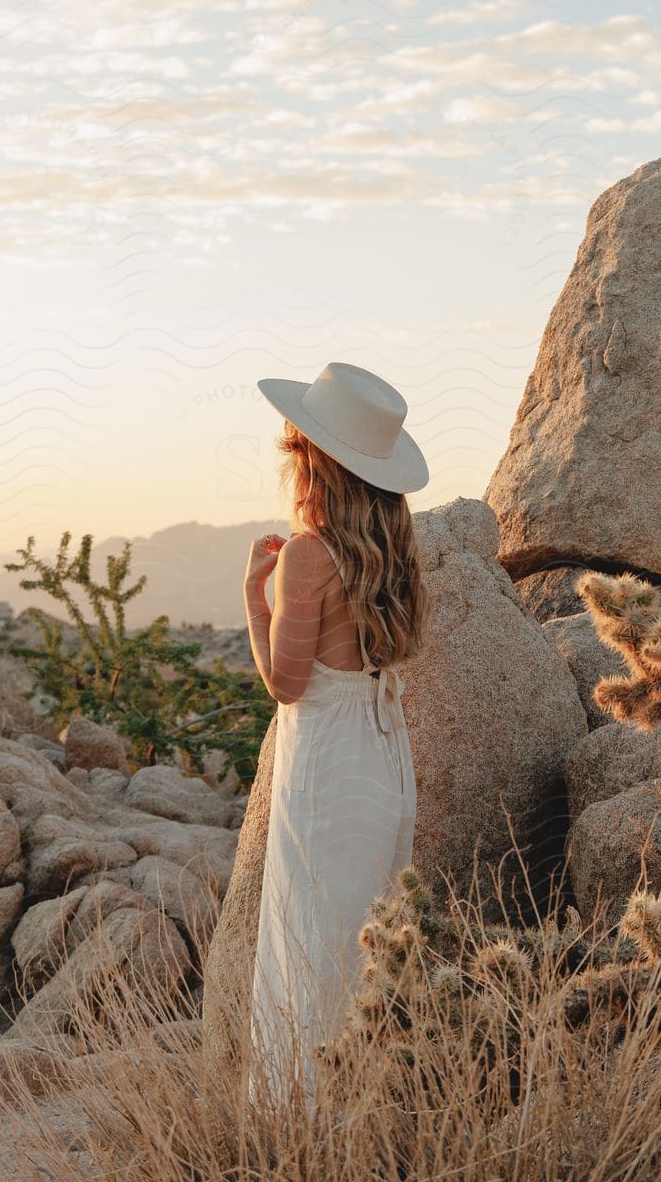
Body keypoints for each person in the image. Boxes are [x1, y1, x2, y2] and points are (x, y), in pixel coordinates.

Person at [240, 361, 431, 1109]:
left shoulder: (309, 555)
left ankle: (299, 1122)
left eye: (294, 448)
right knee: (368, 941)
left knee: (310, 943)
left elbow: (287, 684)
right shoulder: (399, 554)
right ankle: (364, 1111)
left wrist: (253, 595)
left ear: (315, 460)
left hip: (326, 762)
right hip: (384, 754)